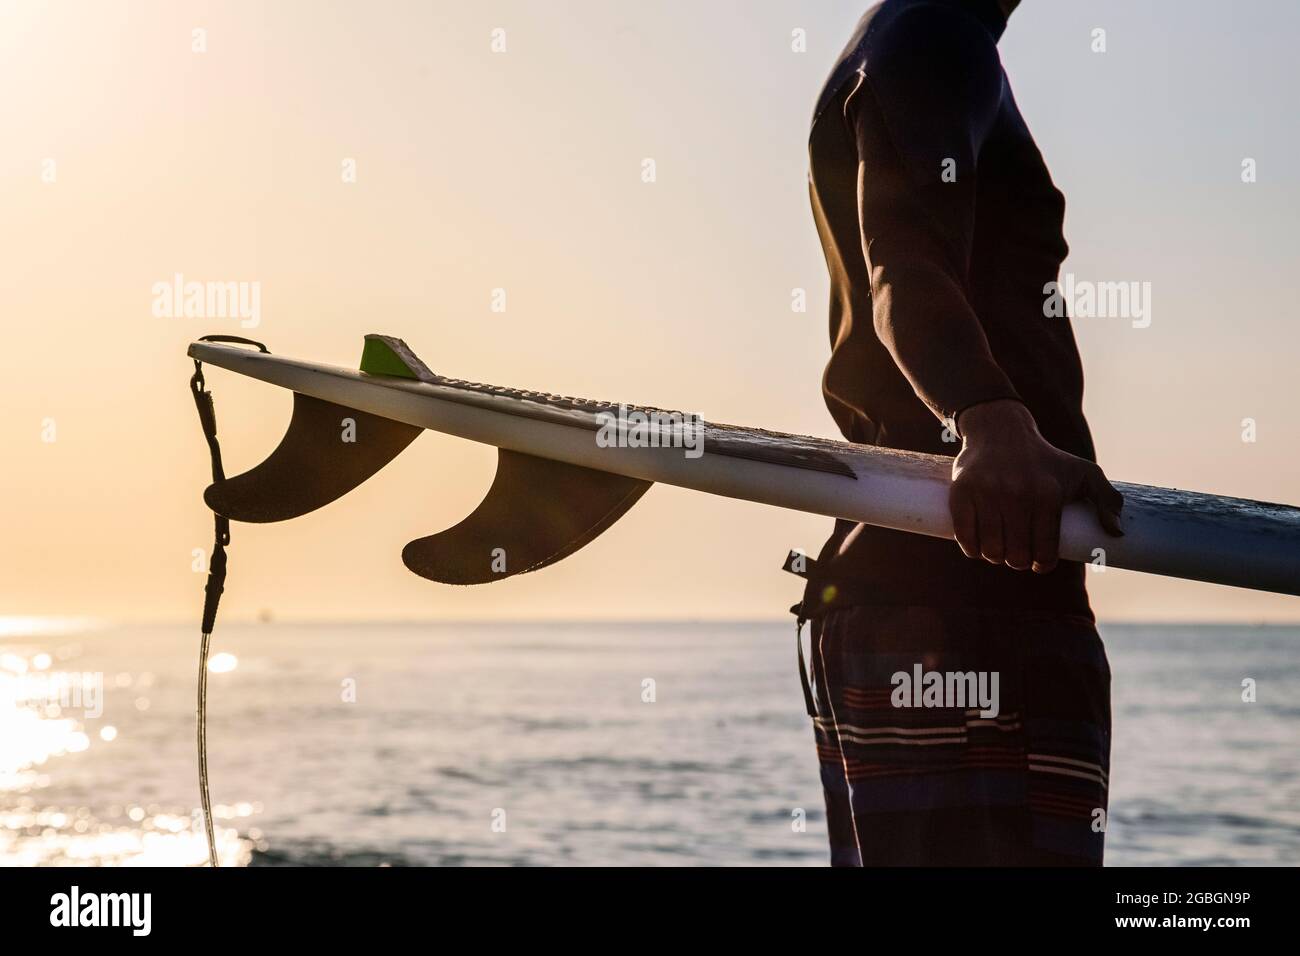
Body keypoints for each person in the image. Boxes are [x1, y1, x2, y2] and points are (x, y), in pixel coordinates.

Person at [801, 0, 1124, 865]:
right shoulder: (932, 34)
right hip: (974, 593)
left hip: (910, 582)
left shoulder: (909, 37)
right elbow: (901, 264)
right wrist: (989, 420)